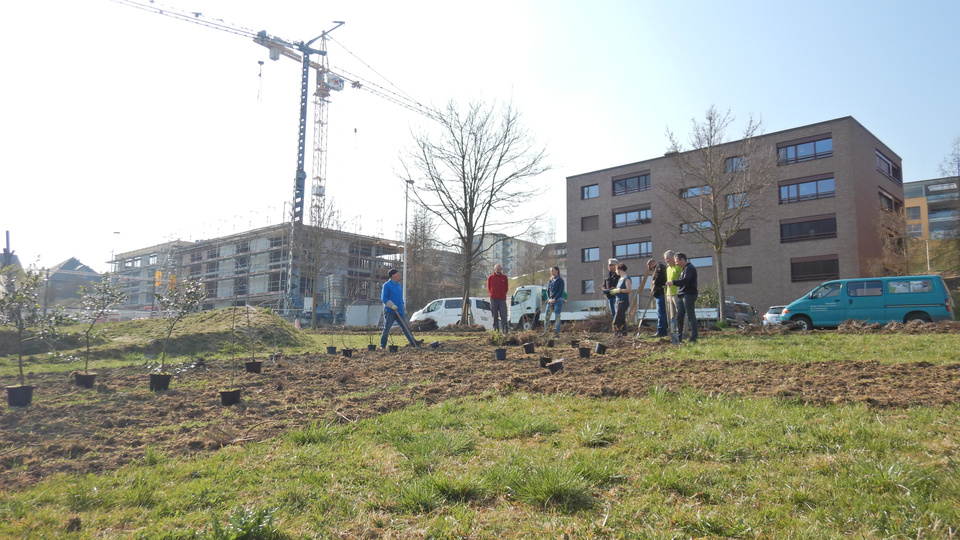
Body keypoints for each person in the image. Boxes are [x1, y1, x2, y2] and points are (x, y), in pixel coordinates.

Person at [380, 268, 419, 349]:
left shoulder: (399, 285)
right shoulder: (386, 285)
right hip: (390, 311)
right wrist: (392, 306)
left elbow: (400, 299)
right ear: (392, 275)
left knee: (405, 327)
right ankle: (382, 346)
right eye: (397, 274)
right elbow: (384, 299)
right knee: (386, 328)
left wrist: (403, 308)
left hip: (400, 311)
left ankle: (413, 342)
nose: (399, 275)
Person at [666, 253, 698, 344]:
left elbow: (685, 281)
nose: (676, 263)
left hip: (689, 294)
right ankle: (678, 336)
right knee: (679, 317)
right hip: (681, 295)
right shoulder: (684, 269)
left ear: (682, 260)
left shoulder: (690, 268)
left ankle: (694, 337)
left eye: (677, 261)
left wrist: (673, 282)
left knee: (690, 316)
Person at [647, 258, 669, 337]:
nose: (652, 270)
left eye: (651, 268)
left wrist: (654, 282)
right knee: (661, 312)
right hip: (659, 292)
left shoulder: (660, 266)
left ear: (652, 264)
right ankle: (663, 329)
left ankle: (661, 330)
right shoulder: (660, 267)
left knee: (661, 312)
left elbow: (659, 276)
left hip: (660, 292)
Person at [609, 263, 632, 337]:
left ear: (620, 269)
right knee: (622, 319)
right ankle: (623, 333)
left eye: (616, 269)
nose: (615, 271)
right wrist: (615, 291)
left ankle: (615, 334)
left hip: (623, 301)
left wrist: (619, 290)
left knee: (617, 319)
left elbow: (628, 290)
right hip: (617, 301)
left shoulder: (626, 278)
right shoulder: (620, 279)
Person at [487, 263, 509, 336]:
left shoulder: (504, 277)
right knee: (494, 316)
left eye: (500, 269)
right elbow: (489, 288)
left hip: (502, 299)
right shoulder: (490, 277)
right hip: (494, 299)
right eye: (497, 269)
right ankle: (496, 332)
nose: (499, 271)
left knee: (504, 316)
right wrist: (492, 294)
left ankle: (505, 332)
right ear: (494, 269)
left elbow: (506, 288)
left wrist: (502, 294)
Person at [664, 250, 680, 338]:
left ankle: (682, 331)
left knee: (680, 313)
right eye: (665, 259)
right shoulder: (668, 269)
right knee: (671, 314)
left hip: (677, 293)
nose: (666, 260)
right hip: (669, 294)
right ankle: (673, 331)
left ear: (673, 258)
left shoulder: (678, 267)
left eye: (667, 258)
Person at [546, 266, 564, 337]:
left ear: (557, 271)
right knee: (547, 317)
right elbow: (547, 291)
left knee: (557, 316)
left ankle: (556, 333)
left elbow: (560, 291)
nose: (551, 272)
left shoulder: (560, 281)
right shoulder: (550, 281)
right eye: (551, 271)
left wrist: (555, 299)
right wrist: (549, 299)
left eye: (553, 270)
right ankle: (546, 332)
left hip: (558, 300)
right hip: (550, 301)